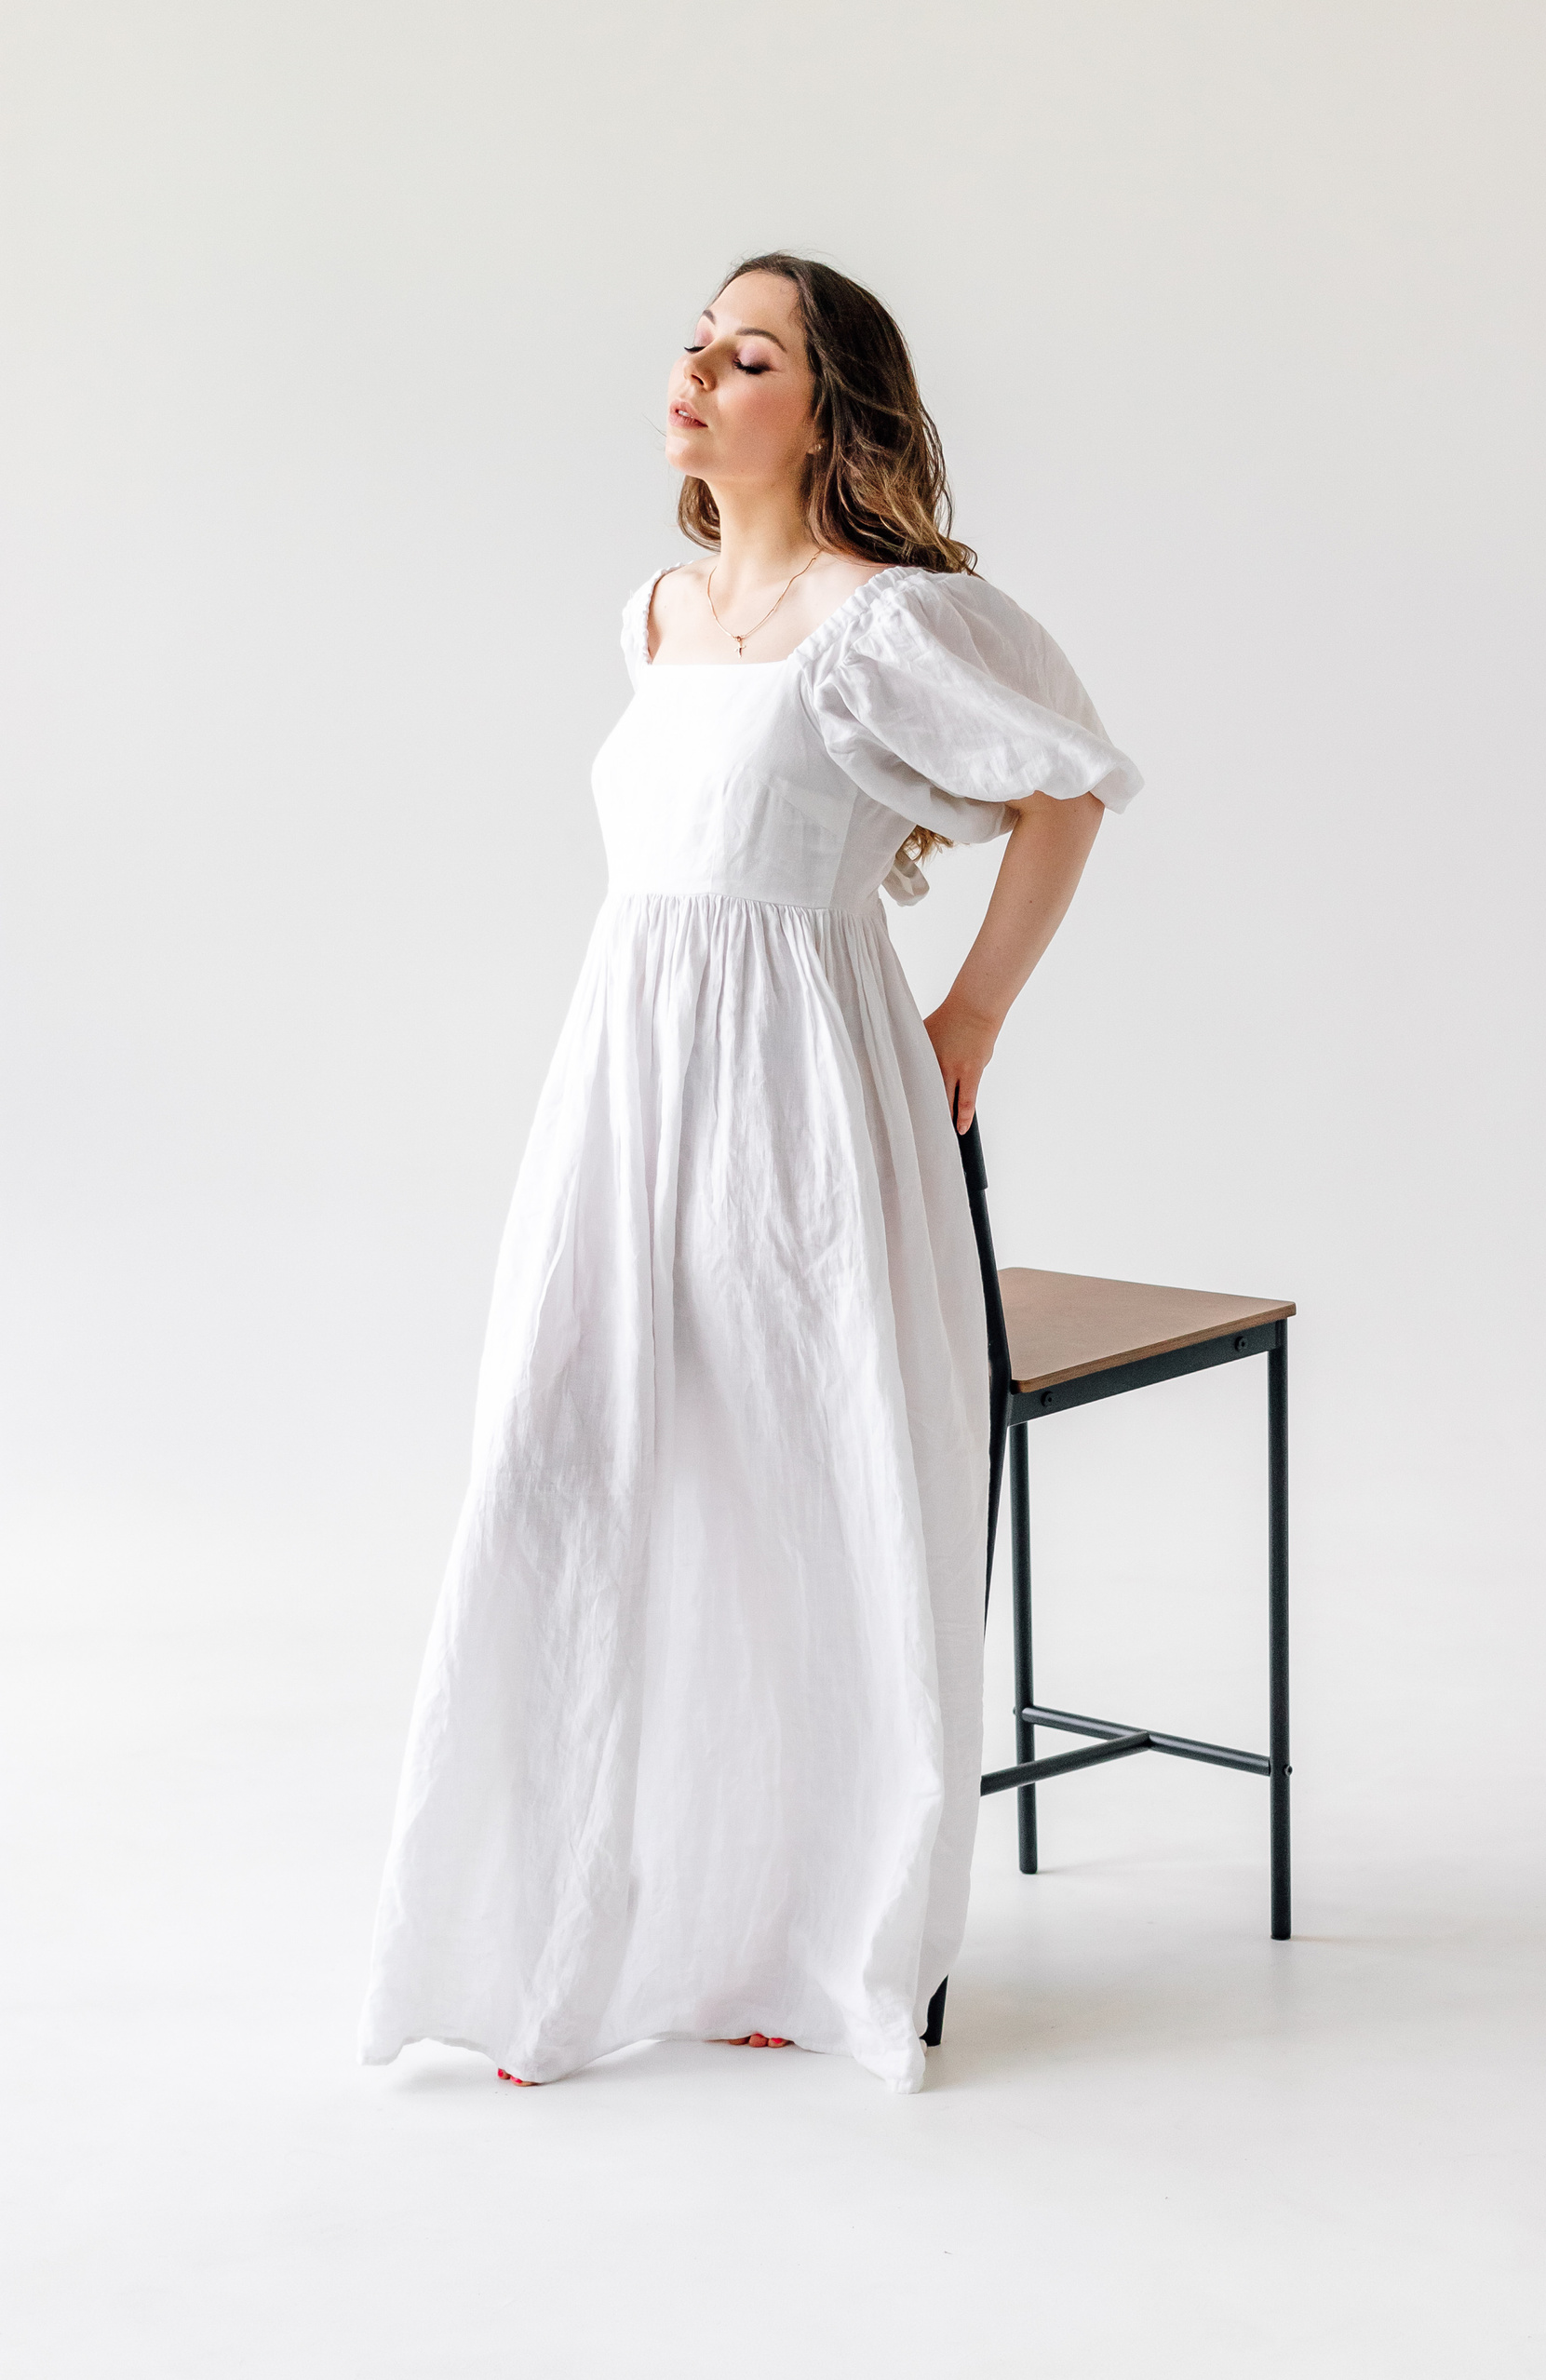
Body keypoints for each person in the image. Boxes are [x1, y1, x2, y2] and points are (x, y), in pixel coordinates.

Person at [358, 252, 1141, 2095]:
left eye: (751, 352)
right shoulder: (652, 615)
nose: (700, 370)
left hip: (803, 1104)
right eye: (696, 342)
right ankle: (553, 1940)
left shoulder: (888, 624)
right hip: (623, 1084)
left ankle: (798, 1934)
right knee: (561, 1457)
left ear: (827, 406)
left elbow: (1068, 788)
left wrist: (972, 1014)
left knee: (803, 1485)